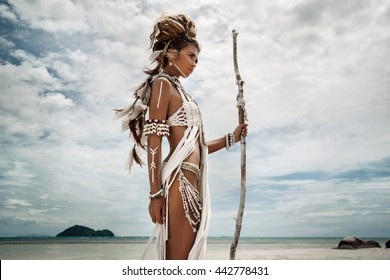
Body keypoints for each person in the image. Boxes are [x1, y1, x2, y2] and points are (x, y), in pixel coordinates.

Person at [114, 14, 247, 260]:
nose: (195, 64)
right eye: (190, 56)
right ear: (171, 53)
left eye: (197, 59)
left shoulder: (181, 91)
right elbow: (154, 141)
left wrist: (232, 138)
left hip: (192, 183)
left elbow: (196, 146)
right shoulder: (162, 84)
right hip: (179, 183)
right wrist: (155, 195)